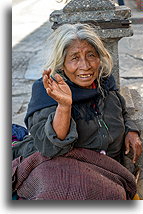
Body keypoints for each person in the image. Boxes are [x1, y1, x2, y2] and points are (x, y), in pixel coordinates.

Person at [12, 23, 142, 200]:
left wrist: (131, 129)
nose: (85, 65)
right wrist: (64, 106)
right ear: (62, 63)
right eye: (75, 58)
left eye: (91, 55)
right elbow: (50, 148)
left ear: (100, 58)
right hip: (57, 167)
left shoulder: (105, 84)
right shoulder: (48, 91)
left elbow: (122, 110)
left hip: (108, 170)